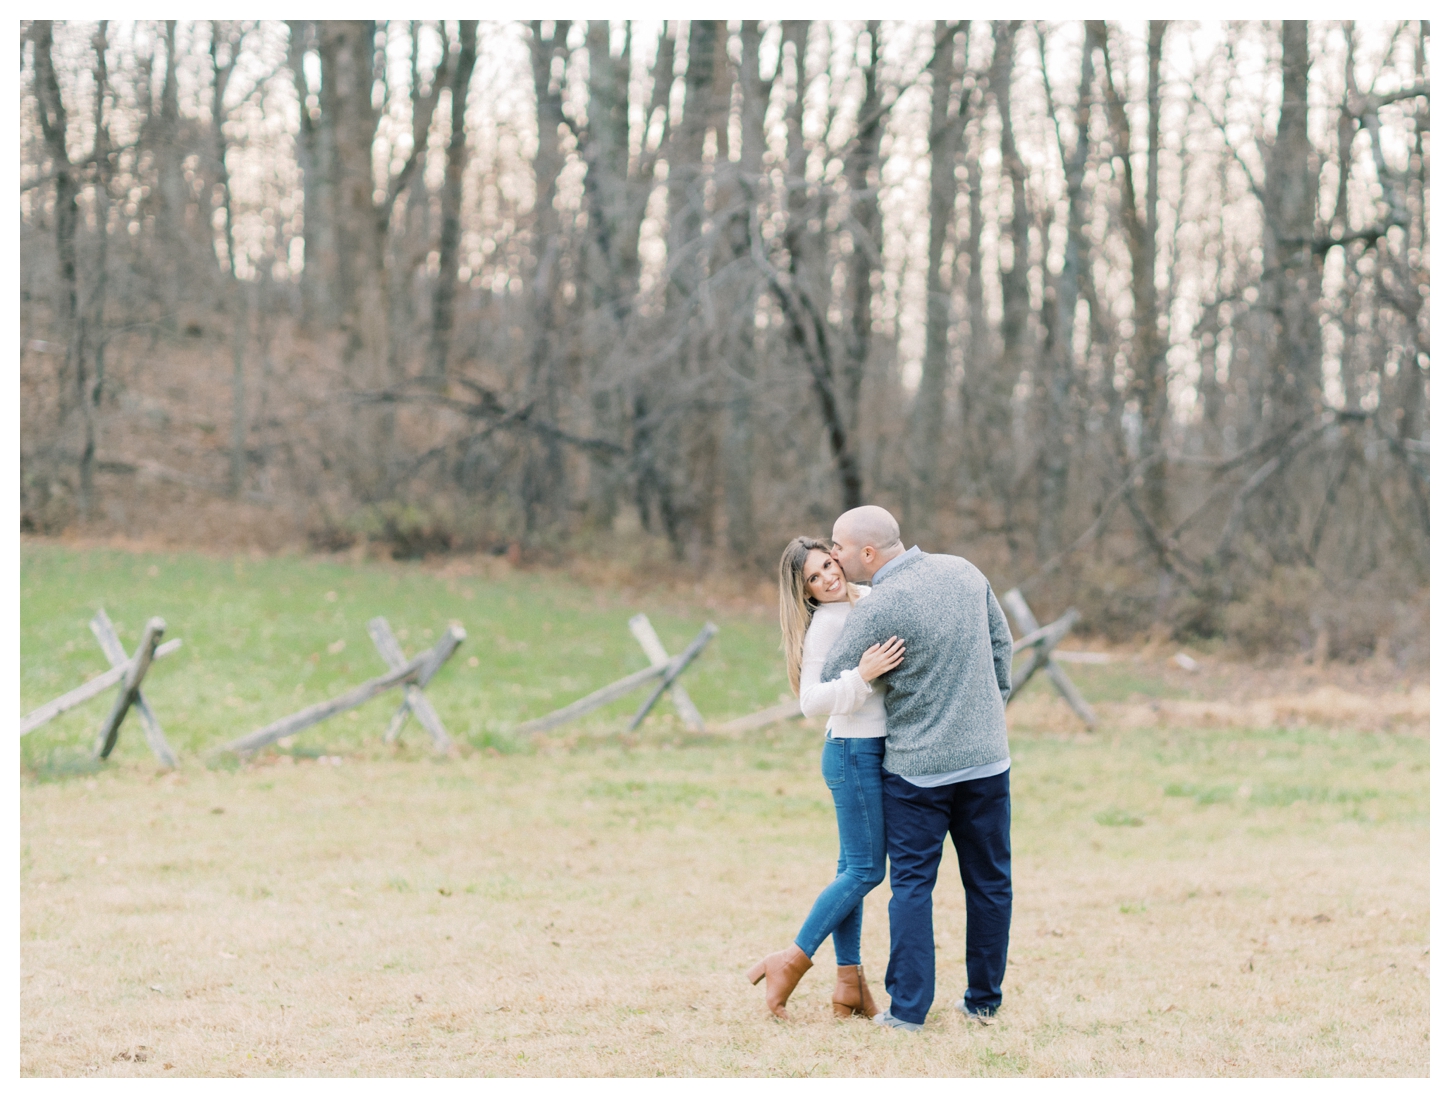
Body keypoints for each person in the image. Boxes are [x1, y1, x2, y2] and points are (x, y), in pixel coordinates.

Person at [821, 505, 1014, 1031]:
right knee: (991, 880)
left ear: (867, 552)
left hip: (916, 771)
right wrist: (990, 711)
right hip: (986, 760)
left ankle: (907, 1012)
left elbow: (834, 673)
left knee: (911, 887)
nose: (832, 555)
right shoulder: (965, 570)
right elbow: (1002, 645)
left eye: (838, 546)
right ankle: (983, 1001)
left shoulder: (879, 608)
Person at [747, 536, 906, 1020]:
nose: (827, 579)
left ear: (840, 557)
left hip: (872, 751)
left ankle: (849, 985)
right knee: (865, 872)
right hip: (851, 752)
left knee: (851, 872)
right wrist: (861, 675)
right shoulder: (826, 624)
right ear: (807, 593)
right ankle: (790, 960)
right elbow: (810, 701)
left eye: (827, 565)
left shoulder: (869, 598)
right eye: (813, 579)